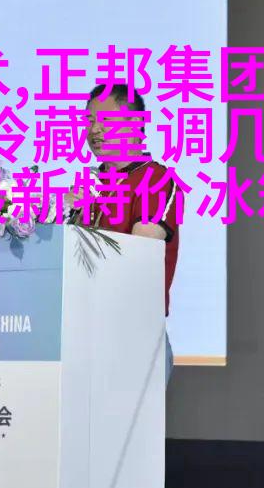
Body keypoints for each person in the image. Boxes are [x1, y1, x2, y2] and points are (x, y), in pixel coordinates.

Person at [75, 84, 180, 385]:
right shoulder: (88, 185)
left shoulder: (154, 179)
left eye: (105, 121)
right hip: (83, 336)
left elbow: (137, 254)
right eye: (89, 121)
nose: (94, 130)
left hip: (133, 335)